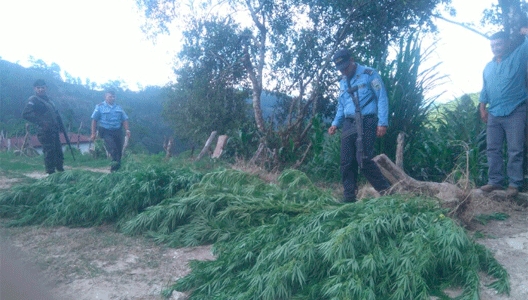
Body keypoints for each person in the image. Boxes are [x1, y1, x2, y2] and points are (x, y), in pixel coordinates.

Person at [328, 49, 392, 203]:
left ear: (352, 60)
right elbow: (342, 106)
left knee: (363, 160)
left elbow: (381, 97)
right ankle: (349, 197)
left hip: (367, 120)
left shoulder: (369, 74)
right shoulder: (343, 81)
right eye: (340, 69)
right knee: (346, 161)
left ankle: (387, 193)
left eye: (345, 67)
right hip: (349, 122)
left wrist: (382, 122)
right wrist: (335, 123)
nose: (344, 71)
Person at [479, 29, 528, 197]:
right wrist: (482, 108)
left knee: (515, 149)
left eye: (499, 44)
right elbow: (485, 89)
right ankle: (495, 182)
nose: (495, 47)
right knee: (493, 149)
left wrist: (526, 32)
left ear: (507, 43)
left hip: (515, 110)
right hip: (494, 112)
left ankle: (514, 184)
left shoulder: (518, 57)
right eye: (493, 45)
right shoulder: (488, 67)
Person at [22, 79, 65, 175]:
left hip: (54, 130)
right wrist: (41, 122)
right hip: (44, 131)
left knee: (58, 151)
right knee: (49, 152)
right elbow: (26, 114)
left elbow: (55, 115)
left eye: (42, 87)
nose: (40, 89)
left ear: (46, 88)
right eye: (38, 88)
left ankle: (60, 171)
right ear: (35, 89)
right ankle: (51, 173)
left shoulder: (49, 101)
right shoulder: (33, 100)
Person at [90, 89, 131, 172]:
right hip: (106, 132)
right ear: (105, 97)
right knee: (113, 149)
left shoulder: (119, 107)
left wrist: (127, 130)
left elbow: (124, 119)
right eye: (110, 97)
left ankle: (117, 170)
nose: (112, 98)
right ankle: (114, 170)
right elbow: (94, 120)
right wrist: (93, 133)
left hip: (118, 131)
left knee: (119, 151)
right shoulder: (100, 107)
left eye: (113, 97)